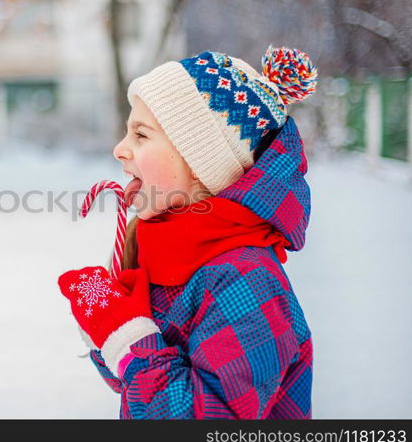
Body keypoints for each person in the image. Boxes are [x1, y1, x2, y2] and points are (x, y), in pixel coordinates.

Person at [57, 46, 317, 419]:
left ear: (199, 164)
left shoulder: (244, 278)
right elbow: (136, 385)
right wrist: (109, 330)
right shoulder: (172, 250)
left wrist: (130, 341)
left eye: (141, 135)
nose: (119, 149)